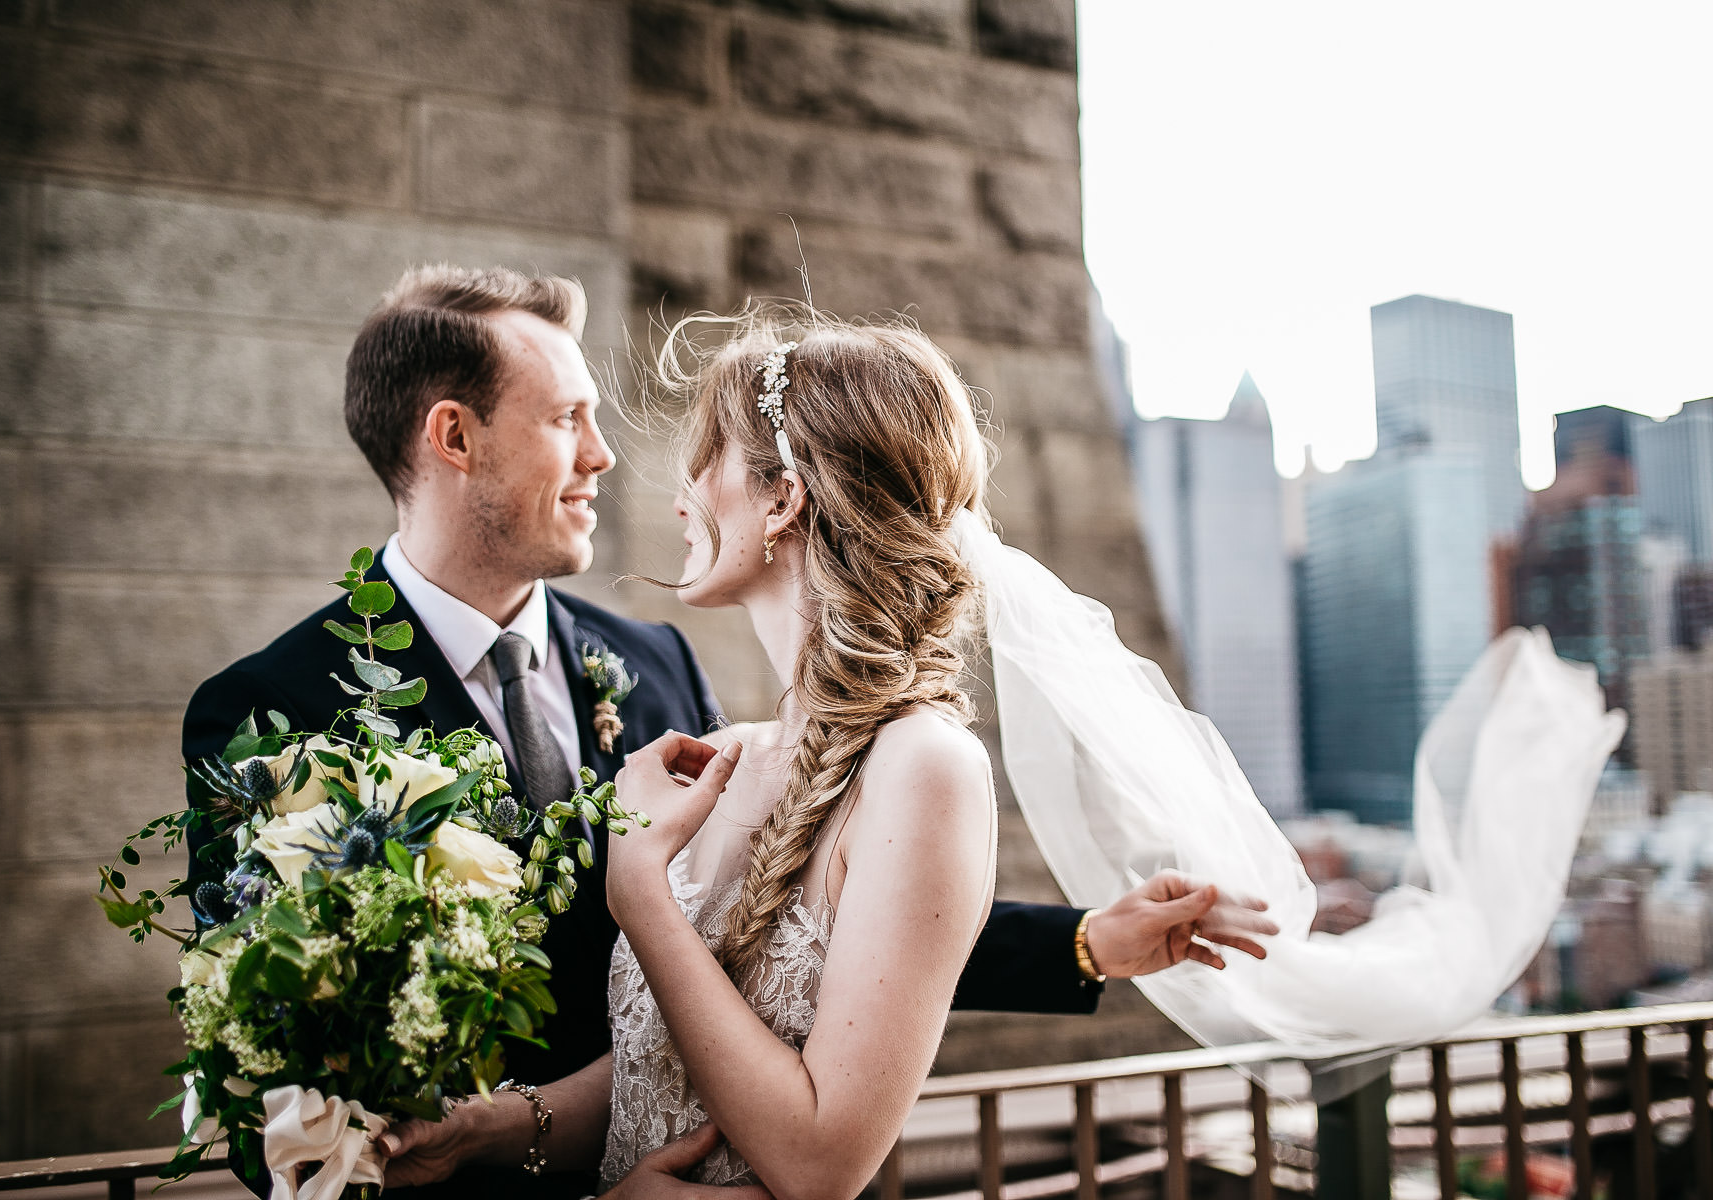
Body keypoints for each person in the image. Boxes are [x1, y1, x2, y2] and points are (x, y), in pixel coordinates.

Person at [183, 268, 1274, 1198]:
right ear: (454, 437)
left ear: (785, 500)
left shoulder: (654, 667)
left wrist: (1079, 944)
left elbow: (809, 926)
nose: (611, 459)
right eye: (568, 418)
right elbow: (272, 1104)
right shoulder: (271, 720)